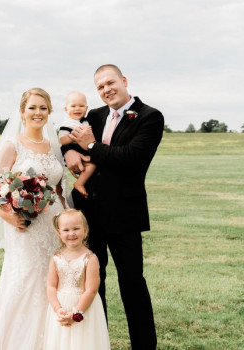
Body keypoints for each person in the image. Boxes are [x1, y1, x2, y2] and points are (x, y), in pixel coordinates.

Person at [0, 88, 71, 350]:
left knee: (51, 285)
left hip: (53, 226)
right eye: (32, 107)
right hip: (25, 228)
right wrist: (8, 217)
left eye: (43, 108)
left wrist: (67, 223)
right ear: (22, 112)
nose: (38, 113)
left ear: (49, 112)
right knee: (26, 282)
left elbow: (60, 190)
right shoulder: (12, 145)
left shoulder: (53, 148)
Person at [62, 64, 164, 350]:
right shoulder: (94, 114)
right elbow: (67, 133)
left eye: (110, 83)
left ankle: (144, 346)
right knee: (94, 284)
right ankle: (96, 343)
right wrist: (69, 150)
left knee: (132, 283)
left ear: (124, 81)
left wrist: (91, 146)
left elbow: (132, 158)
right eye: (100, 87)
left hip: (125, 215)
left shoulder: (149, 117)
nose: (106, 90)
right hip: (89, 214)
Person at [43, 209, 110, 350]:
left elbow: (91, 290)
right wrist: (57, 308)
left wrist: (76, 313)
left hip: (82, 307)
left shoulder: (90, 258)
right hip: (61, 307)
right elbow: (51, 286)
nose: (71, 233)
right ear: (59, 233)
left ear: (85, 230)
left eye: (76, 229)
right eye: (66, 230)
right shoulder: (56, 258)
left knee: (82, 343)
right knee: (61, 342)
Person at [58, 91, 96, 198]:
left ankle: (80, 182)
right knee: (91, 165)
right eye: (73, 106)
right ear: (66, 109)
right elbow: (63, 140)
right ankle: (79, 183)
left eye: (81, 106)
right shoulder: (67, 123)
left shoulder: (86, 121)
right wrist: (73, 136)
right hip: (73, 148)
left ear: (86, 108)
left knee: (92, 164)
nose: (77, 108)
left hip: (84, 148)